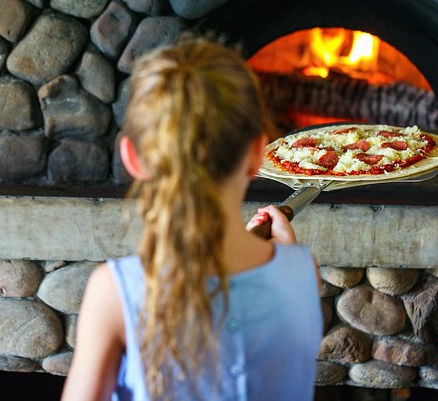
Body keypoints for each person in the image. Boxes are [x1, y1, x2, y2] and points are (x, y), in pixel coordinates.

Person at [61, 38, 323, 401]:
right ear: (256, 156)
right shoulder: (303, 272)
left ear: (133, 159)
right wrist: (286, 255)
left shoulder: (114, 292)